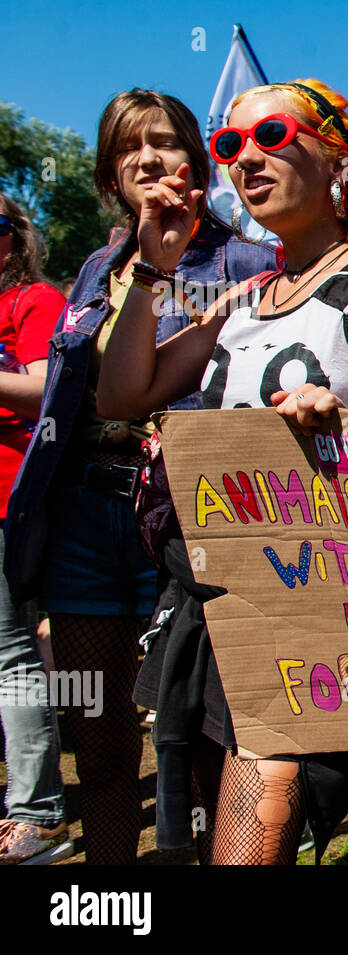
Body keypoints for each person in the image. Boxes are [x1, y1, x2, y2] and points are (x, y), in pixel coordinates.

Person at [96, 78, 348, 864]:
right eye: (229, 145)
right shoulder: (246, 298)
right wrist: (153, 265)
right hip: (212, 608)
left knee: (249, 851)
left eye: (273, 136)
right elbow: (122, 391)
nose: (246, 156)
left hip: (314, 617)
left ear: (340, 162)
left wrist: (342, 426)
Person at [4, 91, 275, 864]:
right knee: (102, 748)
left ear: (199, 158)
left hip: (195, 521)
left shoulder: (248, 261)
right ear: (110, 172)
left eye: (165, 142)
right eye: (130, 148)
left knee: (212, 737)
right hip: (86, 520)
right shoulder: (98, 267)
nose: (150, 159)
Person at [0, 195, 70, 864]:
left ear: (14, 236)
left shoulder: (35, 301)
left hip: (7, 494)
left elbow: (45, 388)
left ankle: (40, 813)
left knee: (10, 651)